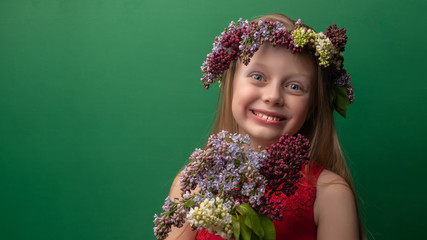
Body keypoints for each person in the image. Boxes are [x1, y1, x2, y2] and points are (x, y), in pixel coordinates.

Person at [165, 13, 364, 240]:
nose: (273, 96)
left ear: (312, 105)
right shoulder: (192, 185)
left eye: (295, 86)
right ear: (230, 85)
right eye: (258, 77)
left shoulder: (330, 194)